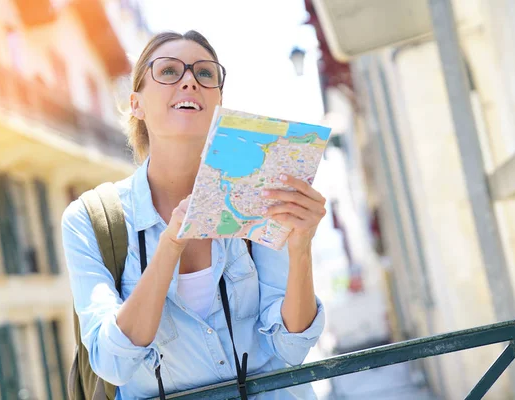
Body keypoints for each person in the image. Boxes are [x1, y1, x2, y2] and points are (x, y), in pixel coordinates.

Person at [61, 30, 327, 399]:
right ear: (136, 103)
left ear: (218, 101)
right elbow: (112, 361)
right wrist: (170, 245)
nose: (189, 80)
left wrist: (301, 247)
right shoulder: (90, 219)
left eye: (205, 74)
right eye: (169, 71)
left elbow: (290, 347)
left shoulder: (256, 189)